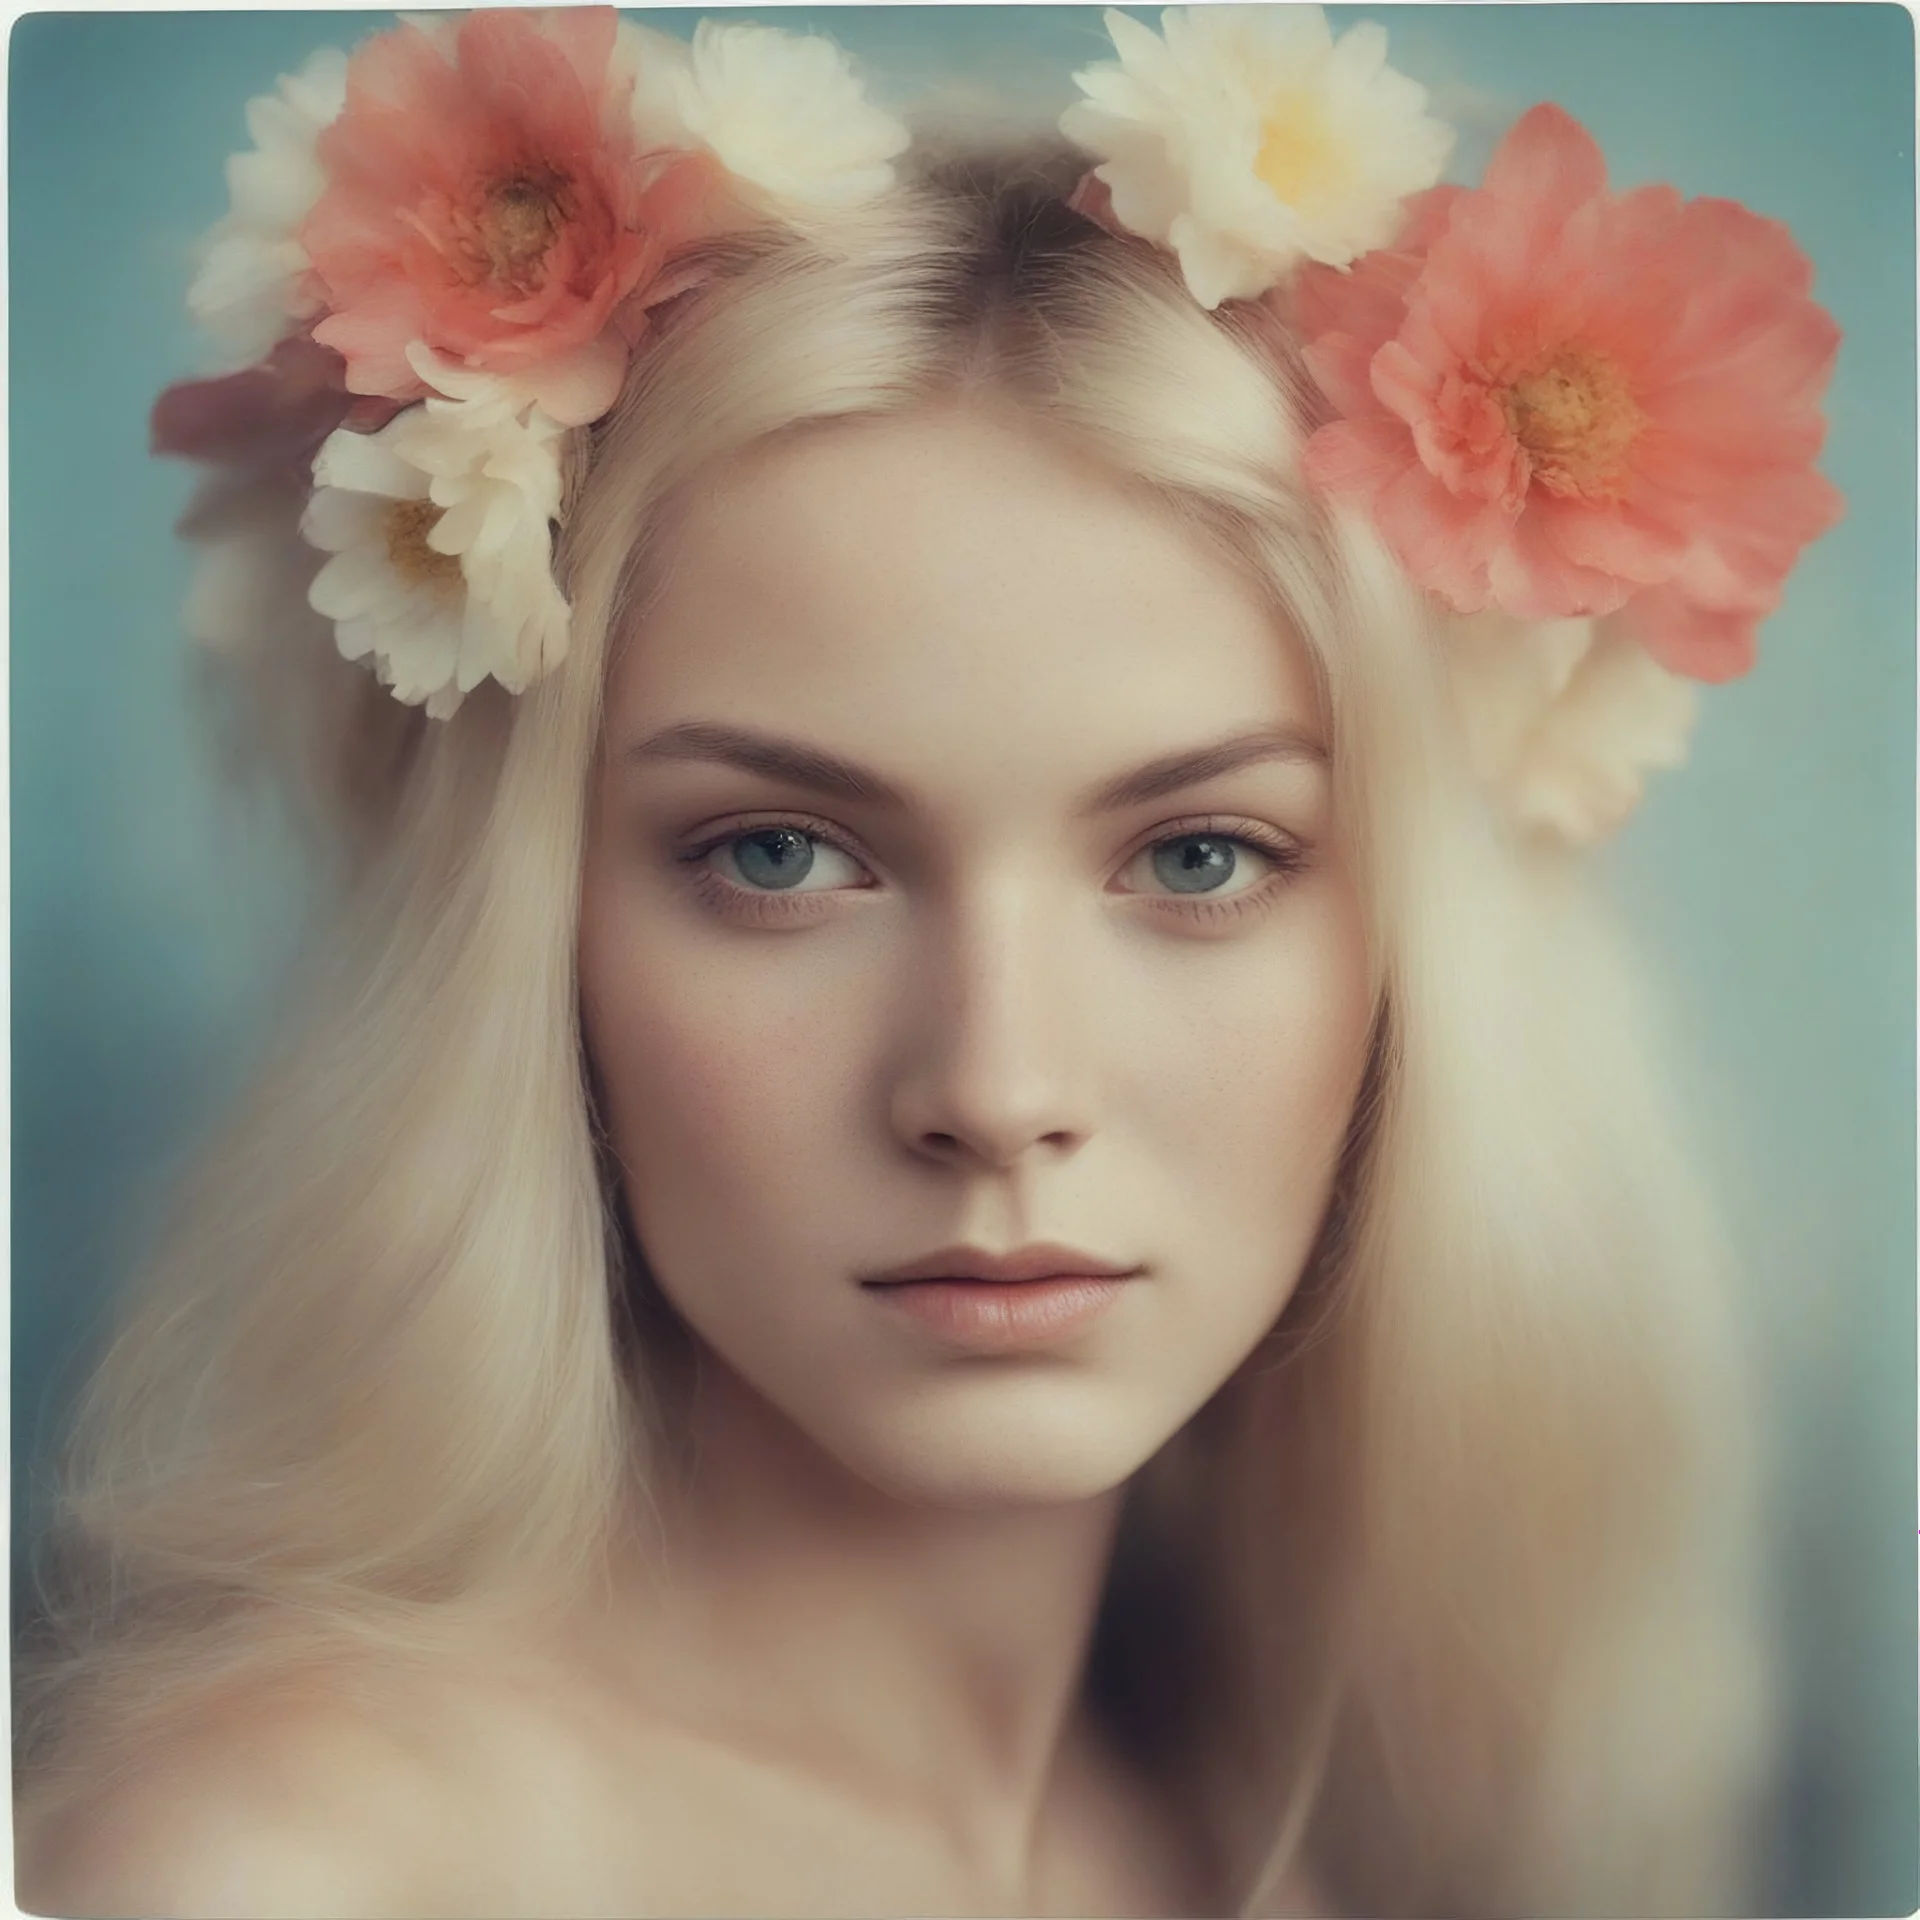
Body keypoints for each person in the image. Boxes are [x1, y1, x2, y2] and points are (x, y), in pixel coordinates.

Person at [13, 8, 1842, 1916]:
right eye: (781, 856)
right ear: (531, 944)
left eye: (1200, 856)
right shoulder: (284, 1871)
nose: (996, 1089)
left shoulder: (1267, 1828)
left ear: (1420, 963)